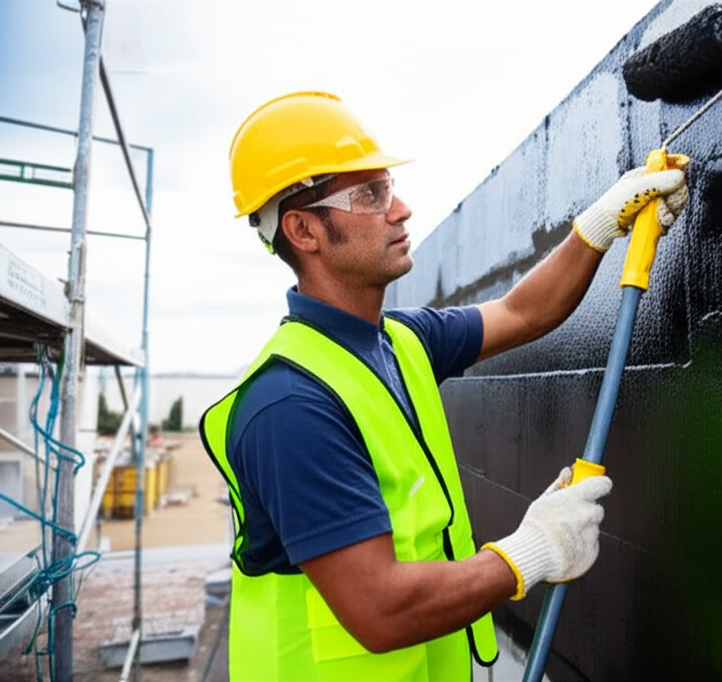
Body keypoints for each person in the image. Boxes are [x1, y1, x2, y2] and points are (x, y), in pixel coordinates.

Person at [200, 91, 688, 682]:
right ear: (303, 230)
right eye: (371, 195)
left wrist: (602, 223)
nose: (401, 209)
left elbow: (522, 312)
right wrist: (532, 550)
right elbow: (380, 609)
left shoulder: (399, 341)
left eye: (388, 187)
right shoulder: (289, 406)